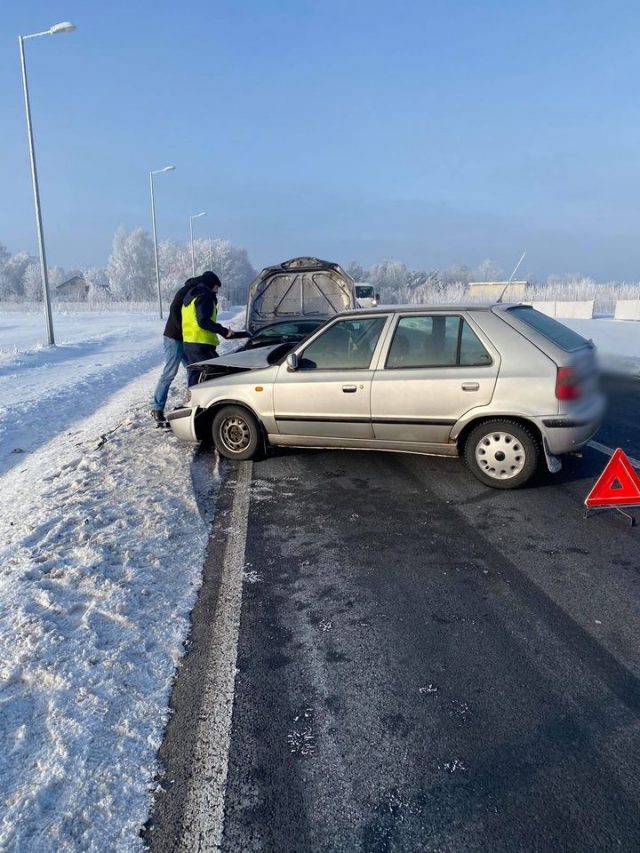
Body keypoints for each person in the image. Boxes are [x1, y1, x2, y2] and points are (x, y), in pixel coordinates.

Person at [150, 276, 197, 427]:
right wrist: (181, 329)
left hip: (182, 338)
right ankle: (157, 409)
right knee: (169, 373)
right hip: (174, 338)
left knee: (192, 368)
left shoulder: (192, 292)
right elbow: (174, 309)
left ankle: (193, 402)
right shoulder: (185, 291)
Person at [181, 270, 239, 386]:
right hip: (201, 344)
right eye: (216, 287)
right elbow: (203, 321)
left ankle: (193, 400)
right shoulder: (204, 297)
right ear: (210, 285)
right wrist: (223, 331)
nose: (217, 291)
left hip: (189, 342)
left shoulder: (191, 296)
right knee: (216, 372)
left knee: (196, 374)